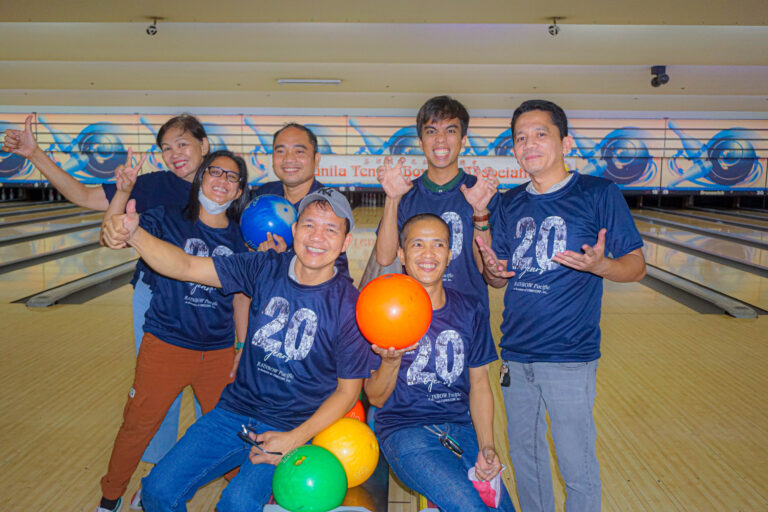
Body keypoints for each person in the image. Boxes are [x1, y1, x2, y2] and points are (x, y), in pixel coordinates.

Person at [104, 187, 372, 512]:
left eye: (331, 229)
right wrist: (135, 235)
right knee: (157, 491)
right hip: (233, 412)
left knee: (238, 502)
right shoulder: (264, 267)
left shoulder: (351, 306)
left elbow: (347, 393)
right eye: (309, 225)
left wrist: (295, 438)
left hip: (291, 424)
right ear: (294, 229)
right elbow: (187, 266)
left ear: (345, 243)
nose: (318, 237)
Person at [2, 115, 210, 470]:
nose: (174, 153)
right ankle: (157, 470)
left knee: (216, 387)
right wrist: (34, 154)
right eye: (166, 148)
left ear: (203, 145)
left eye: (182, 144)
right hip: (156, 297)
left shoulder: (226, 181)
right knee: (157, 389)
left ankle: (212, 463)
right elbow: (82, 195)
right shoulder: (151, 185)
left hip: (212, 302)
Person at [478, 100, 647, 512]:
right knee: (526, 459)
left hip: (569, 356)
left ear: (565, 141)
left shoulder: (598, 193)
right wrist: (493, 268)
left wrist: (603, 265)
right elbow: (497, 279)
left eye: (540, 134)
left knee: (576, 463)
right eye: (520, 137)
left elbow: (637, 266)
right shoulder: (509, 202)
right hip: (515, 356)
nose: (528, 144)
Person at [96, 150, 250, 512]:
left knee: (228, 430)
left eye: (232, 178)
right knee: (137, 427)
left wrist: (241, 346)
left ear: (239, 190)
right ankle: (110, 498)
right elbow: (112, 236)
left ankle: (243, 494)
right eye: (216, 172)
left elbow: (242, 298)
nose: (222, 181)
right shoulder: (165, 219)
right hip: (165, 346)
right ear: (201, 177)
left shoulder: (241, 239)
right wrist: (121, 197)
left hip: (217, 353)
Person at [365, 214, 516, 511]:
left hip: (460, 428)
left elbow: (480, 384)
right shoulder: (381, 309)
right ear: (402, 254)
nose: (428, 254)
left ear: (450, 254)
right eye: (417, 244)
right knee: (469, 507)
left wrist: (487, 445)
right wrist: (391, 361)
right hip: (405, 431)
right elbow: (375, 397)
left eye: (438, 245)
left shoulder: (470, 309)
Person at [374, 95, 498, 308]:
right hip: (415, 311)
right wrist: (392, 199)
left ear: (463, 139)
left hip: (470, 316)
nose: (440, 139)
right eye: (431, 131)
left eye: (450, 131)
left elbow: (485, 270)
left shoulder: (482, 193)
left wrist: (480, 210)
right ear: (421, 142)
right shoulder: (405, 194)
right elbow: (385, 258)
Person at [250, 123, 350, 279]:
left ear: (316, 159)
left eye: (299, 151)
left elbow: (336, 276)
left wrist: (279, 260)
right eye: (280, 151)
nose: (289, 158)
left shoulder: (330, 204)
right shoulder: (264, 195)